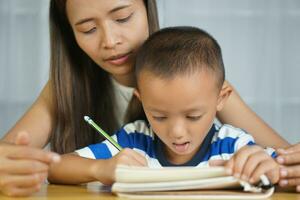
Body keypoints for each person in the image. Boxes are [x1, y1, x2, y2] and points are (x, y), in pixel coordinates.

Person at [0, 0, 297, 197]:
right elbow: (12, 156)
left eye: (123, 17)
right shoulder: (66, 86)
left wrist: (273, 165)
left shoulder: (197, 82)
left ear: (147, 7)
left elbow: (286, 160)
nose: (110, 40)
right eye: (88, 29)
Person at [47, 26, 280, 186]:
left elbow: (283, 170)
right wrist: (101, 169)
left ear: (221, 98)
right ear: (141, 99)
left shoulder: (234, 144)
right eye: (159, 116)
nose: (177, 132)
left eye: (193, 116)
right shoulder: (134, 141)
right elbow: (54, 169)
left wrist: (270, 169)